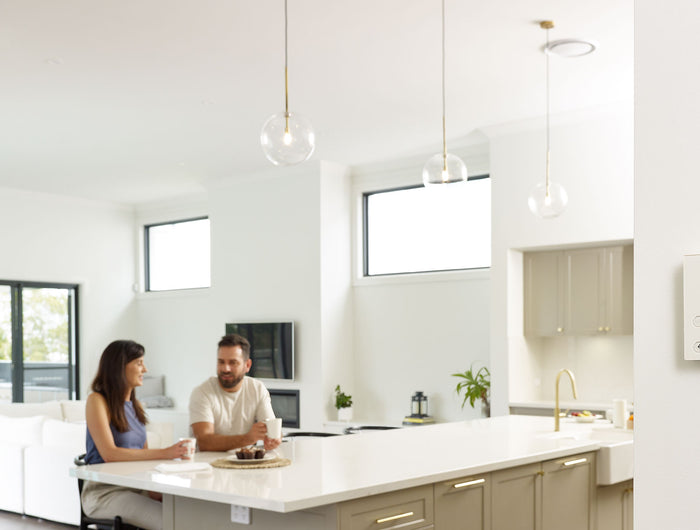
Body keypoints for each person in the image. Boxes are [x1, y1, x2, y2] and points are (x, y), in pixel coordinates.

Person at [82, 340, 189, 530]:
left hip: (136, 488)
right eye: (139, 363)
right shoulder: (97, 401)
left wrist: (153, 488)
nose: (145, 369)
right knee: (172, 522)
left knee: (187, 511)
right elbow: (110, 454)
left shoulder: (136, 406)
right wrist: (166, 452)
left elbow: (144, 458)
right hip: (105, 493)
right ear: (119, 366)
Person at [189, 334, 281, 452]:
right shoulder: (202, 392)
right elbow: (204, 442)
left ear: (247, 365)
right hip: (209, 465)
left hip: (244, 462)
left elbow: (272, 430)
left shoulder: (257, 388)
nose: (225, 369)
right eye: (221, 362)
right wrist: (248, 438)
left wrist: (274, 439)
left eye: (233, 363)